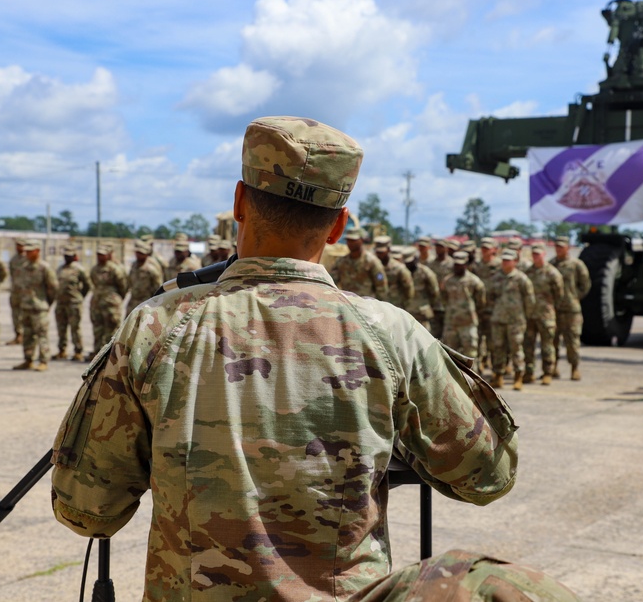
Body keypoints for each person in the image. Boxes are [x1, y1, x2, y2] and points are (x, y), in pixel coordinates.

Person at [50, 116, 578, 602]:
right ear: (338, 226)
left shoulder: (155, 327)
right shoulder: (391, 334)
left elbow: (85, 507)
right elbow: (488, 474)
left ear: (239, 201)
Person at [490, 248, 536, 390]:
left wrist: (524, 316)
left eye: (508, 260)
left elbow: (530, 300)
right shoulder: (496, 277)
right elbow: (489, 296)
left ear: (515, 262)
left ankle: (518, 377)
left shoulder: (521, 279)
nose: (505, 262)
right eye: (504, 260)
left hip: (516, 320)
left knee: (516, 348)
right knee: (498, 348)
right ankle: (498, 376)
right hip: (498, 319)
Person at [14, 239, 58, 371]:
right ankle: (28, 360)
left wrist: (46, 303)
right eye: (26, 250)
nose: (27, 253)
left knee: (42, 335)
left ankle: (43, 361)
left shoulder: (44, 268)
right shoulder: (23, 268)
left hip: (39, 308)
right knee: (27, 335)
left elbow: (53, 288)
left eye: (30, 251)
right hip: (26, 306)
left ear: (37, 251)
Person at [551, 236, 591, 381]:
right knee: (552, 341)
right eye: (557, 246)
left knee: (572, 340)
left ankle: (574, 368)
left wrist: (574, 297)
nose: (558, 249)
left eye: (561, 246)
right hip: (554, 309)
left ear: (568, 248)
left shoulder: (576, 264)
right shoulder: (551, 264)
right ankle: (552, 367)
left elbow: (585, 285)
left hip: (571, 310)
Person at [523, 243, 564, 385]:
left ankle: (548, 372)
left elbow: (559, 295)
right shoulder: (528, 273)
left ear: (544, 255)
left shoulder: (552, 273)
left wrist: (550, 308)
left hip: (546, 315)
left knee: (547, 345)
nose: (536, 257)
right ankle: (529, 372)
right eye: (533, 254)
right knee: (528, 345)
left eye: (538, 254)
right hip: (530, 315)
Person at [441, 250, 487, 369]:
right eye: (456, 264)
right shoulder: (447, 281)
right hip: (451, 323)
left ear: (466, 264)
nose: (458, 267)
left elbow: (480, 301)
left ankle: (473, 382)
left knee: (470, 353)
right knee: (450, 354)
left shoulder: (474, 281)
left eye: (461, 264)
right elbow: (443, 299)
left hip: (468, 323)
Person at [88, 245, 129, 359]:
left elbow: (123, 286)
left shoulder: (114, 269)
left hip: (111, 305)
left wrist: (116, 298)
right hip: (97, 303)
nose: (100, 257)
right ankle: (97, 353)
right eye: (98, 255)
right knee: (97, 329)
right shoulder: (94, 269)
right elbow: (92, 282)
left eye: (102, 254)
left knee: (111, 329)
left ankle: (110, 355)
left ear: (108, 255)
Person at [55, 245, 93, 361]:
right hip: (61, 303)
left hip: (74, 303)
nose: (67, 257)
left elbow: (87, 285)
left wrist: (80, 296)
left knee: (75, 328)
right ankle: (62, 350)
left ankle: (78, 351)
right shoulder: (60, 269)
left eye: (70, 255)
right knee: (61, 328)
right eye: (66, 255)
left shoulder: (79, 269)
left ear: (74, 256)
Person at [329, 228, 388, 299]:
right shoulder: (341, 262)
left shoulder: (372, 261)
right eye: (348, 240)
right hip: (347, 304)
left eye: (353, 240)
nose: (350, 243)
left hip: (367, 305)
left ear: (362, 240)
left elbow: (381, 288)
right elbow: (331, 283)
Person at [470, 237, 501, 370]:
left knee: (493, 341)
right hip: (478, 309)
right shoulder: (475, 266)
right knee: (476, 340)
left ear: (494, 250)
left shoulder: (499, 265)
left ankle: (496, 369)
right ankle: (478, 366)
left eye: (487, 248)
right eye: (483, 248)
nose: (485, 251)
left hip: (494, 309)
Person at [402, 246, 438, 331]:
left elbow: (434, 292)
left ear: (415, 258)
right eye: (407, 263)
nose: (409, 264)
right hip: (407, 313)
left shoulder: (425, 272)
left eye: (410, 262)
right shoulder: (402, 272)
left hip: (423, 314)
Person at [373, 235, 414, 308]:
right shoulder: (372, 267)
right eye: (378, 252)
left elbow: (408, 289)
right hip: (377, 307)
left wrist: (404, 306)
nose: (379, 255)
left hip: (395, 307)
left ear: (388, 250)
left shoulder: (399, 268)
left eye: (382, 252)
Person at [126, 240, 163, 315]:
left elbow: (158, 287)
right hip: (132, 303)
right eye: (137, 253)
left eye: (141, 253)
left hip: (146, 303)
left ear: (146, 254)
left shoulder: (151, 269)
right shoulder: (134, 265)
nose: (139, 255)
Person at [7, 238, 28, 345]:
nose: (19, 247)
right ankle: (18, 335)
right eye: (17, 245)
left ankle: (26, 336)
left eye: (21, 245)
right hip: (15, 291)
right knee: (15, 314)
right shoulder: (13, 260)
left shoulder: (28, 259)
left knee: (26, 314)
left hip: (26, 292)